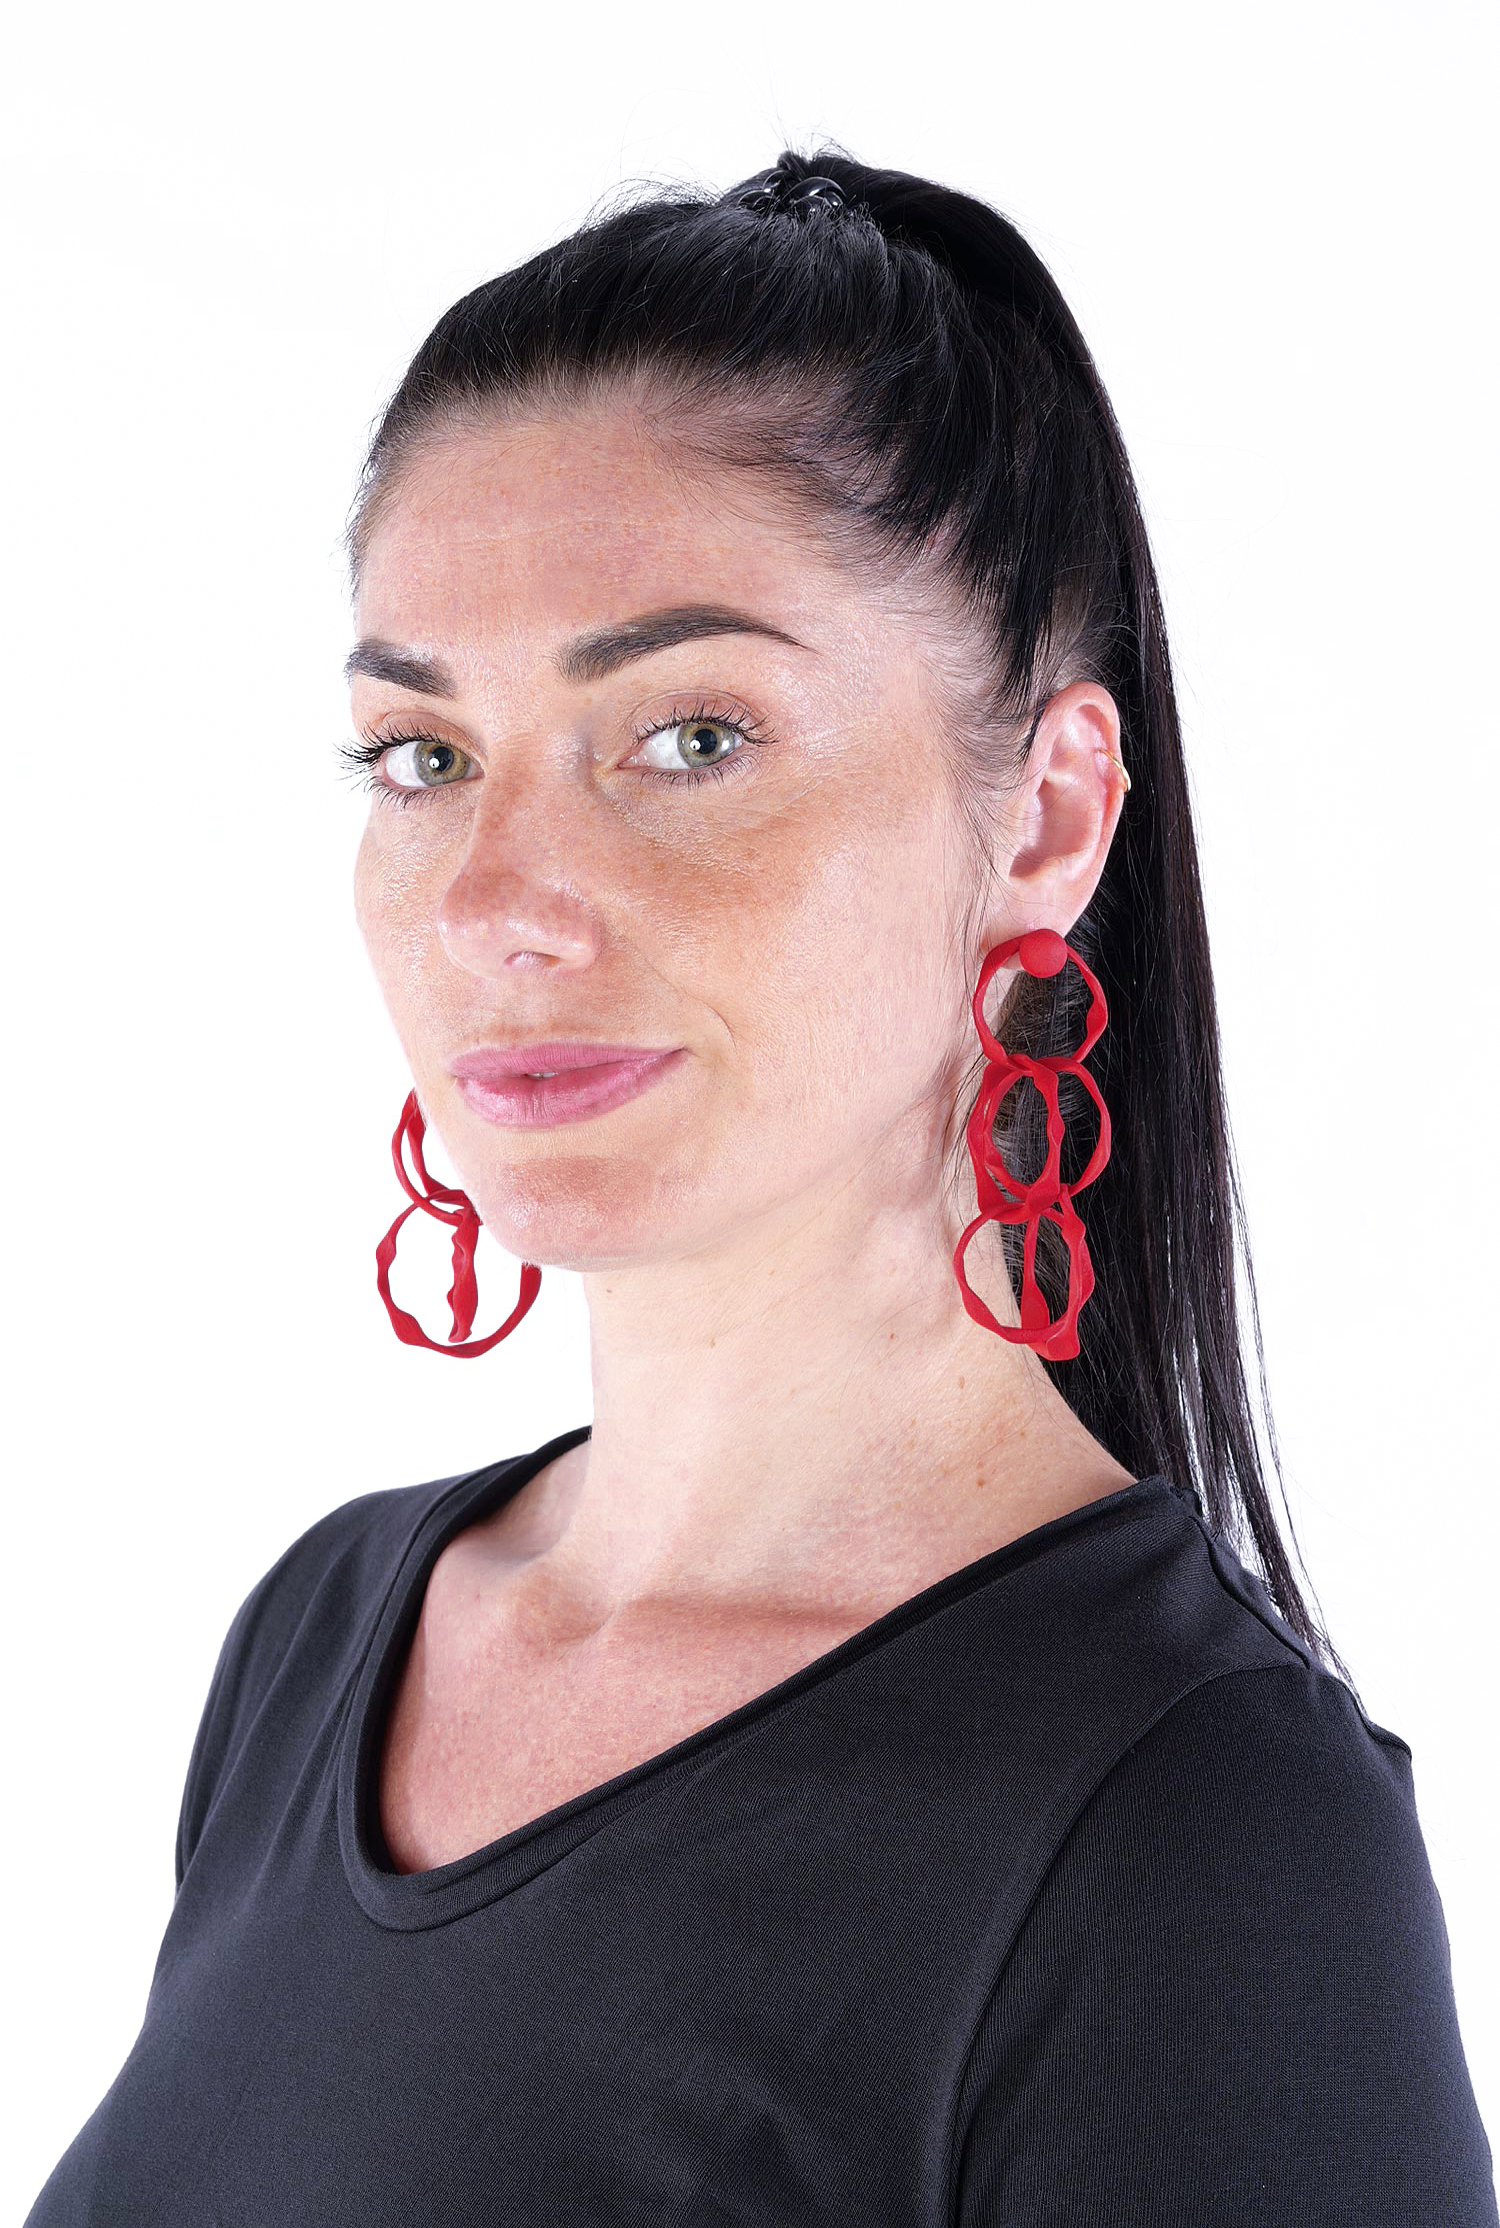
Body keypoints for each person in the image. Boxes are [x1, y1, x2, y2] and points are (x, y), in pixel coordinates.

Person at [25, 145, 1495, 2226]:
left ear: (1050, 814)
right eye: (424, 756)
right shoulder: (327, 1637)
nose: (497, 901)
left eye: (690, 738)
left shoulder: (1201, 1834)